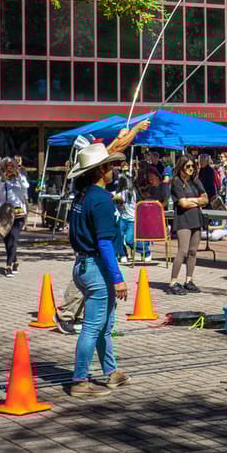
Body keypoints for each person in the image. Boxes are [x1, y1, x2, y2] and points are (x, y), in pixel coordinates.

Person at [67, 143, 129, 397]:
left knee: (103, 324)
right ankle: (80, 380)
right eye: (110, 166)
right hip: (96, 267)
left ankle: (111, 372)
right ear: (101, 170)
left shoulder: (81, 197)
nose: (115, 169)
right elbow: (104, 243)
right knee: (94, 326)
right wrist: (118, 278)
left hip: (82, 264)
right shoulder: (101, 200)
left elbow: (74, 234)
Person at [169, 155, 208, 295]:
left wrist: (191, 200)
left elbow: (206, 199)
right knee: (183, 251)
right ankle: (173, 281)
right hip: (182, 219)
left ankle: (188, 280)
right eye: (188, 166)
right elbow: (182, 204)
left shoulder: (195, 181)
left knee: (193, 251)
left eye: (193, 166)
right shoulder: (176, 182)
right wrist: (197, 201)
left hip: (196, 218)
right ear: (181, 167)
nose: (191, 169)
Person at [0, 159, 29, 277]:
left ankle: (8, 266)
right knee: (7, 240)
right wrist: (3, 179)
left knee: (13, 237)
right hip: (4, 213)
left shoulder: (20, 179)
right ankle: (15, 260)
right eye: (7, 167)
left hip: (18, 213)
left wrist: (17, 177)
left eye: (11, 167)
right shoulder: (0, 180)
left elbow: (25, 188)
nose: (9, 170)